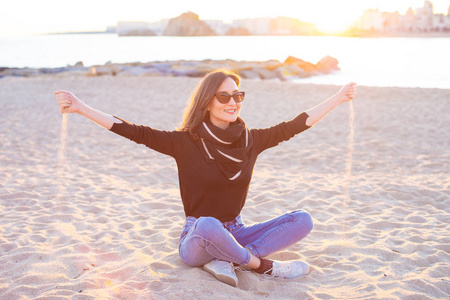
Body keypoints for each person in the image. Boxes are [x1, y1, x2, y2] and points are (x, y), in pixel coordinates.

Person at [54, 69, 357, 287]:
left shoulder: (251, 140)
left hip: (235, 230)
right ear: (207, 101)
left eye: (238, 95)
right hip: (197, 236)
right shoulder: (185, 142)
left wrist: (338, 98)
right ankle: (262, 266)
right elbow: (134, 131)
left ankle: (229, 257)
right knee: (208, 223)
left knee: (302, 219)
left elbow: (295, 125)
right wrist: (81, 108)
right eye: (224, 96)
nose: (233, 101)